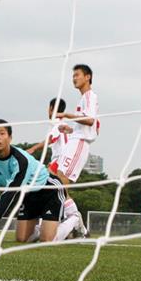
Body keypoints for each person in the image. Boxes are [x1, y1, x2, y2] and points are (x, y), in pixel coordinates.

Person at [0, 119, 65, 243]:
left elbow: (10, 193)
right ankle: (41, 229)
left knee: (46, 240)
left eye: (2, 133)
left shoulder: (21, 160)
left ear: (10, 138)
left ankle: (72, 222)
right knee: (21, 239)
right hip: (28, 196)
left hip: (49, 190)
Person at [26, 98, 86, 240]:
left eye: (49, 108)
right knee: (61, 194)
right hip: (61, 162)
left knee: (52, 193)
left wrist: (33, 148)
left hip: (60, 162)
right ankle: (77, 226)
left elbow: (51, 140)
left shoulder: (57, 123)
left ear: (52, 108)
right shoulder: (66, 125)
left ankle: (72, 223)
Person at [53, 64, 99, 194]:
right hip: (75, 139)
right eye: (73, 76)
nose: (74, 78)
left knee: (63, 177)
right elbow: (86, 124)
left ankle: (71, 213)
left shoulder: (90, 96)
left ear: (87, 77)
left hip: (80, 142)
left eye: (77, 75)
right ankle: (66, 211)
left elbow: (90, 120)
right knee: (59, 175)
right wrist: (70, 130)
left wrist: (66, 115)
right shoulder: (83, 98)